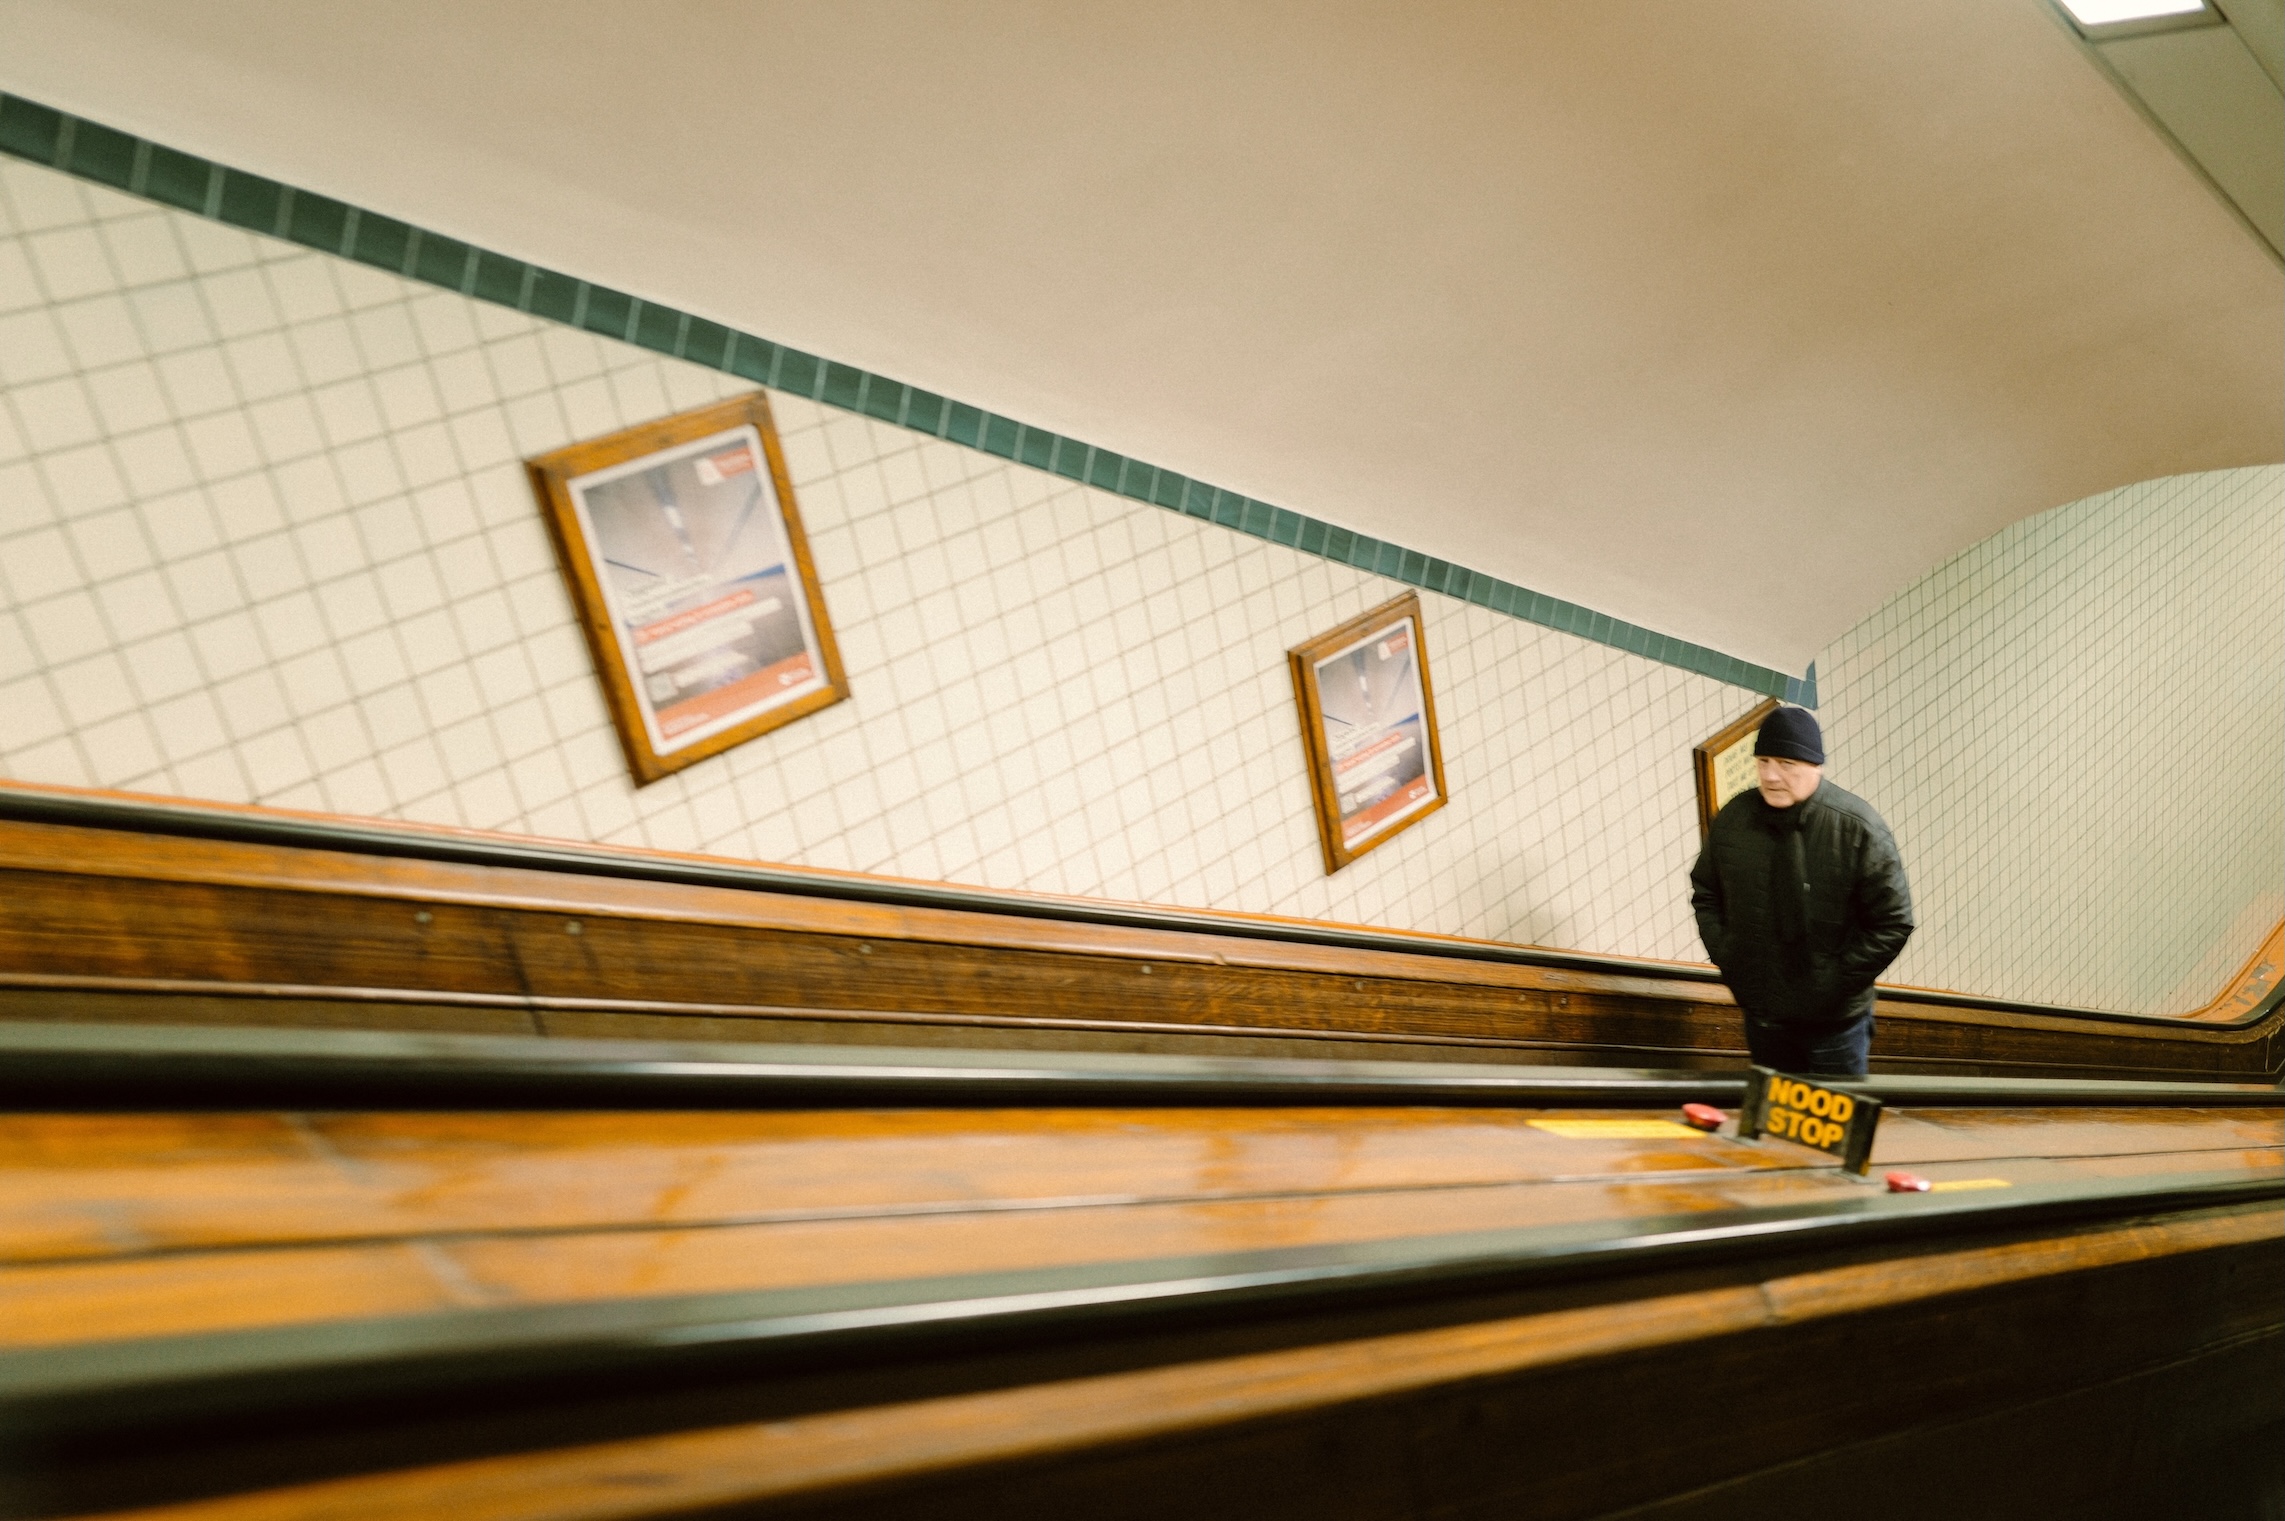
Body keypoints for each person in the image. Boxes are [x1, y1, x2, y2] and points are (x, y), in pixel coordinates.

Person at [1688, 705, 1913, 1077]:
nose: (1770, 775)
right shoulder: (1735, 819)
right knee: (1773, 1112)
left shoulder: (1857, 827)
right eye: (1763, 761)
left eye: (1786, 764)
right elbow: (1707, 893)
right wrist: (1732, 959)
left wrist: (1833, 982)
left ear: (1815, 766)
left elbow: (1893, 923)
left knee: (1834, 1115)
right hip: (1764, 1020)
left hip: (1836, 1026)